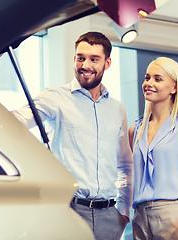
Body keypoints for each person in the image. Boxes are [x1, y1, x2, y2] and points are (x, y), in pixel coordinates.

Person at [13, 31, 133, 240]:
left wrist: (123, 211)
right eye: (80, 58)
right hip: (69, 211)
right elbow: (16, 120)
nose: (85, 65)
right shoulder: (55, 98)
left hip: (109, 217)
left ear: (108, 63)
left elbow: (125, 165)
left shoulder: (116, 109)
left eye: (94, 59)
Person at [128, 57, 178, 240]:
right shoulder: (135, 130)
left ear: (174, 87)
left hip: (174, 213)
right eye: (147, 78)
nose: (149, 83)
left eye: (157, 78)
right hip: (140, 215)